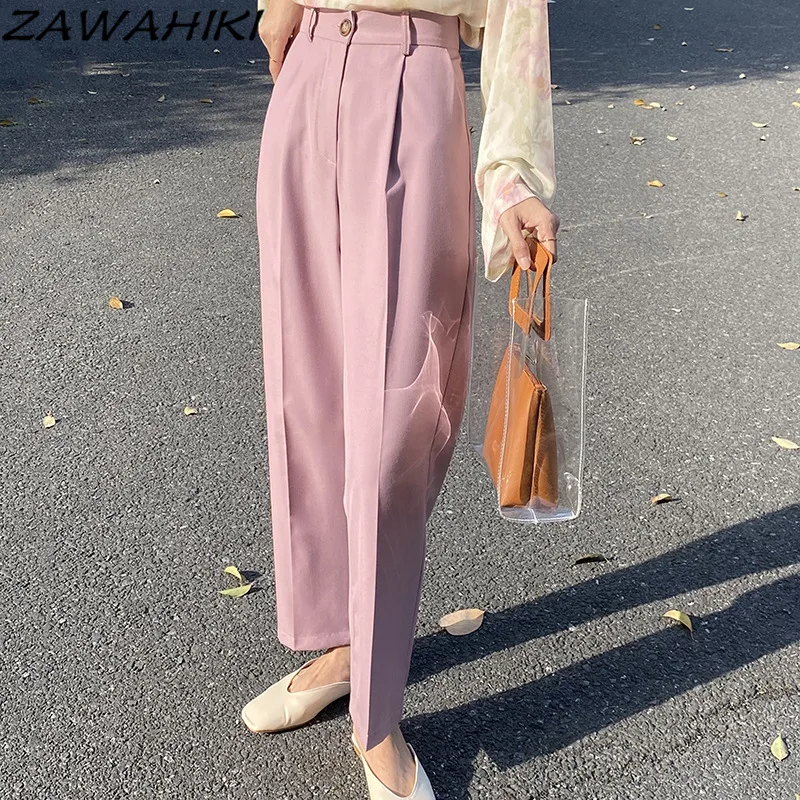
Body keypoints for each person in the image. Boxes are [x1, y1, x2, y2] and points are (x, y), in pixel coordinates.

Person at [242, 0, 558, 797]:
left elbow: (519, 16)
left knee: (393, 432)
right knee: (307, 396)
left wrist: (511, 178)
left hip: (415, 82)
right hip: (308, 71)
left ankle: (376, 716)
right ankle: (345, 646)